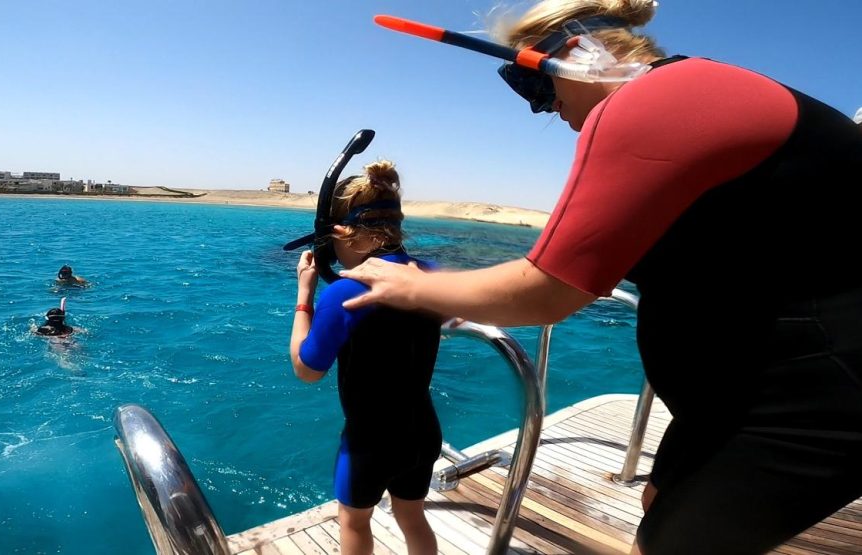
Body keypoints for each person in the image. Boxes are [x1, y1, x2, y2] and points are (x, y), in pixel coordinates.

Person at [342, 1, 862, 553]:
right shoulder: (691, 90)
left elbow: (546, 291)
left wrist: (410, 287)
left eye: (535, 86)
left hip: (813, 394)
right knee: (656, 503)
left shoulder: (653, 101)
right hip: (736, 389)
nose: (542, 108)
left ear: (579, 54)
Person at [287, 159, 442, 555]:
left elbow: (307, 369)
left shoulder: (345, 292)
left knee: (354, 522)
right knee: (412, 516)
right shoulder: (433, 275)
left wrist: (305, 296)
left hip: (370, 440)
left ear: (344, 232)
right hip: (422, 429)